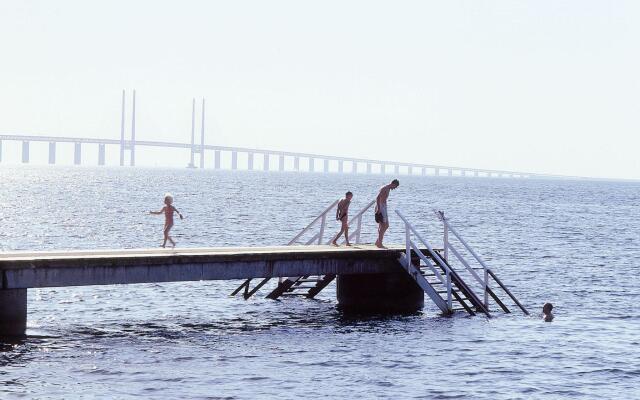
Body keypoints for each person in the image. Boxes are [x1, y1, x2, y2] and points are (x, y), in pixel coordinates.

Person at [375, 179, 399, 248]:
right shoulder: (385, 188)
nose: (395, 188)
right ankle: (379, 243)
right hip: (381, 207)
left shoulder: (388, 189)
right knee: (383, 225)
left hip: (384, 207)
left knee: (385, 225)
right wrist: (379, 209)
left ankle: (378, 241)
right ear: (393, 184)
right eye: (395, 186)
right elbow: (378, 198)